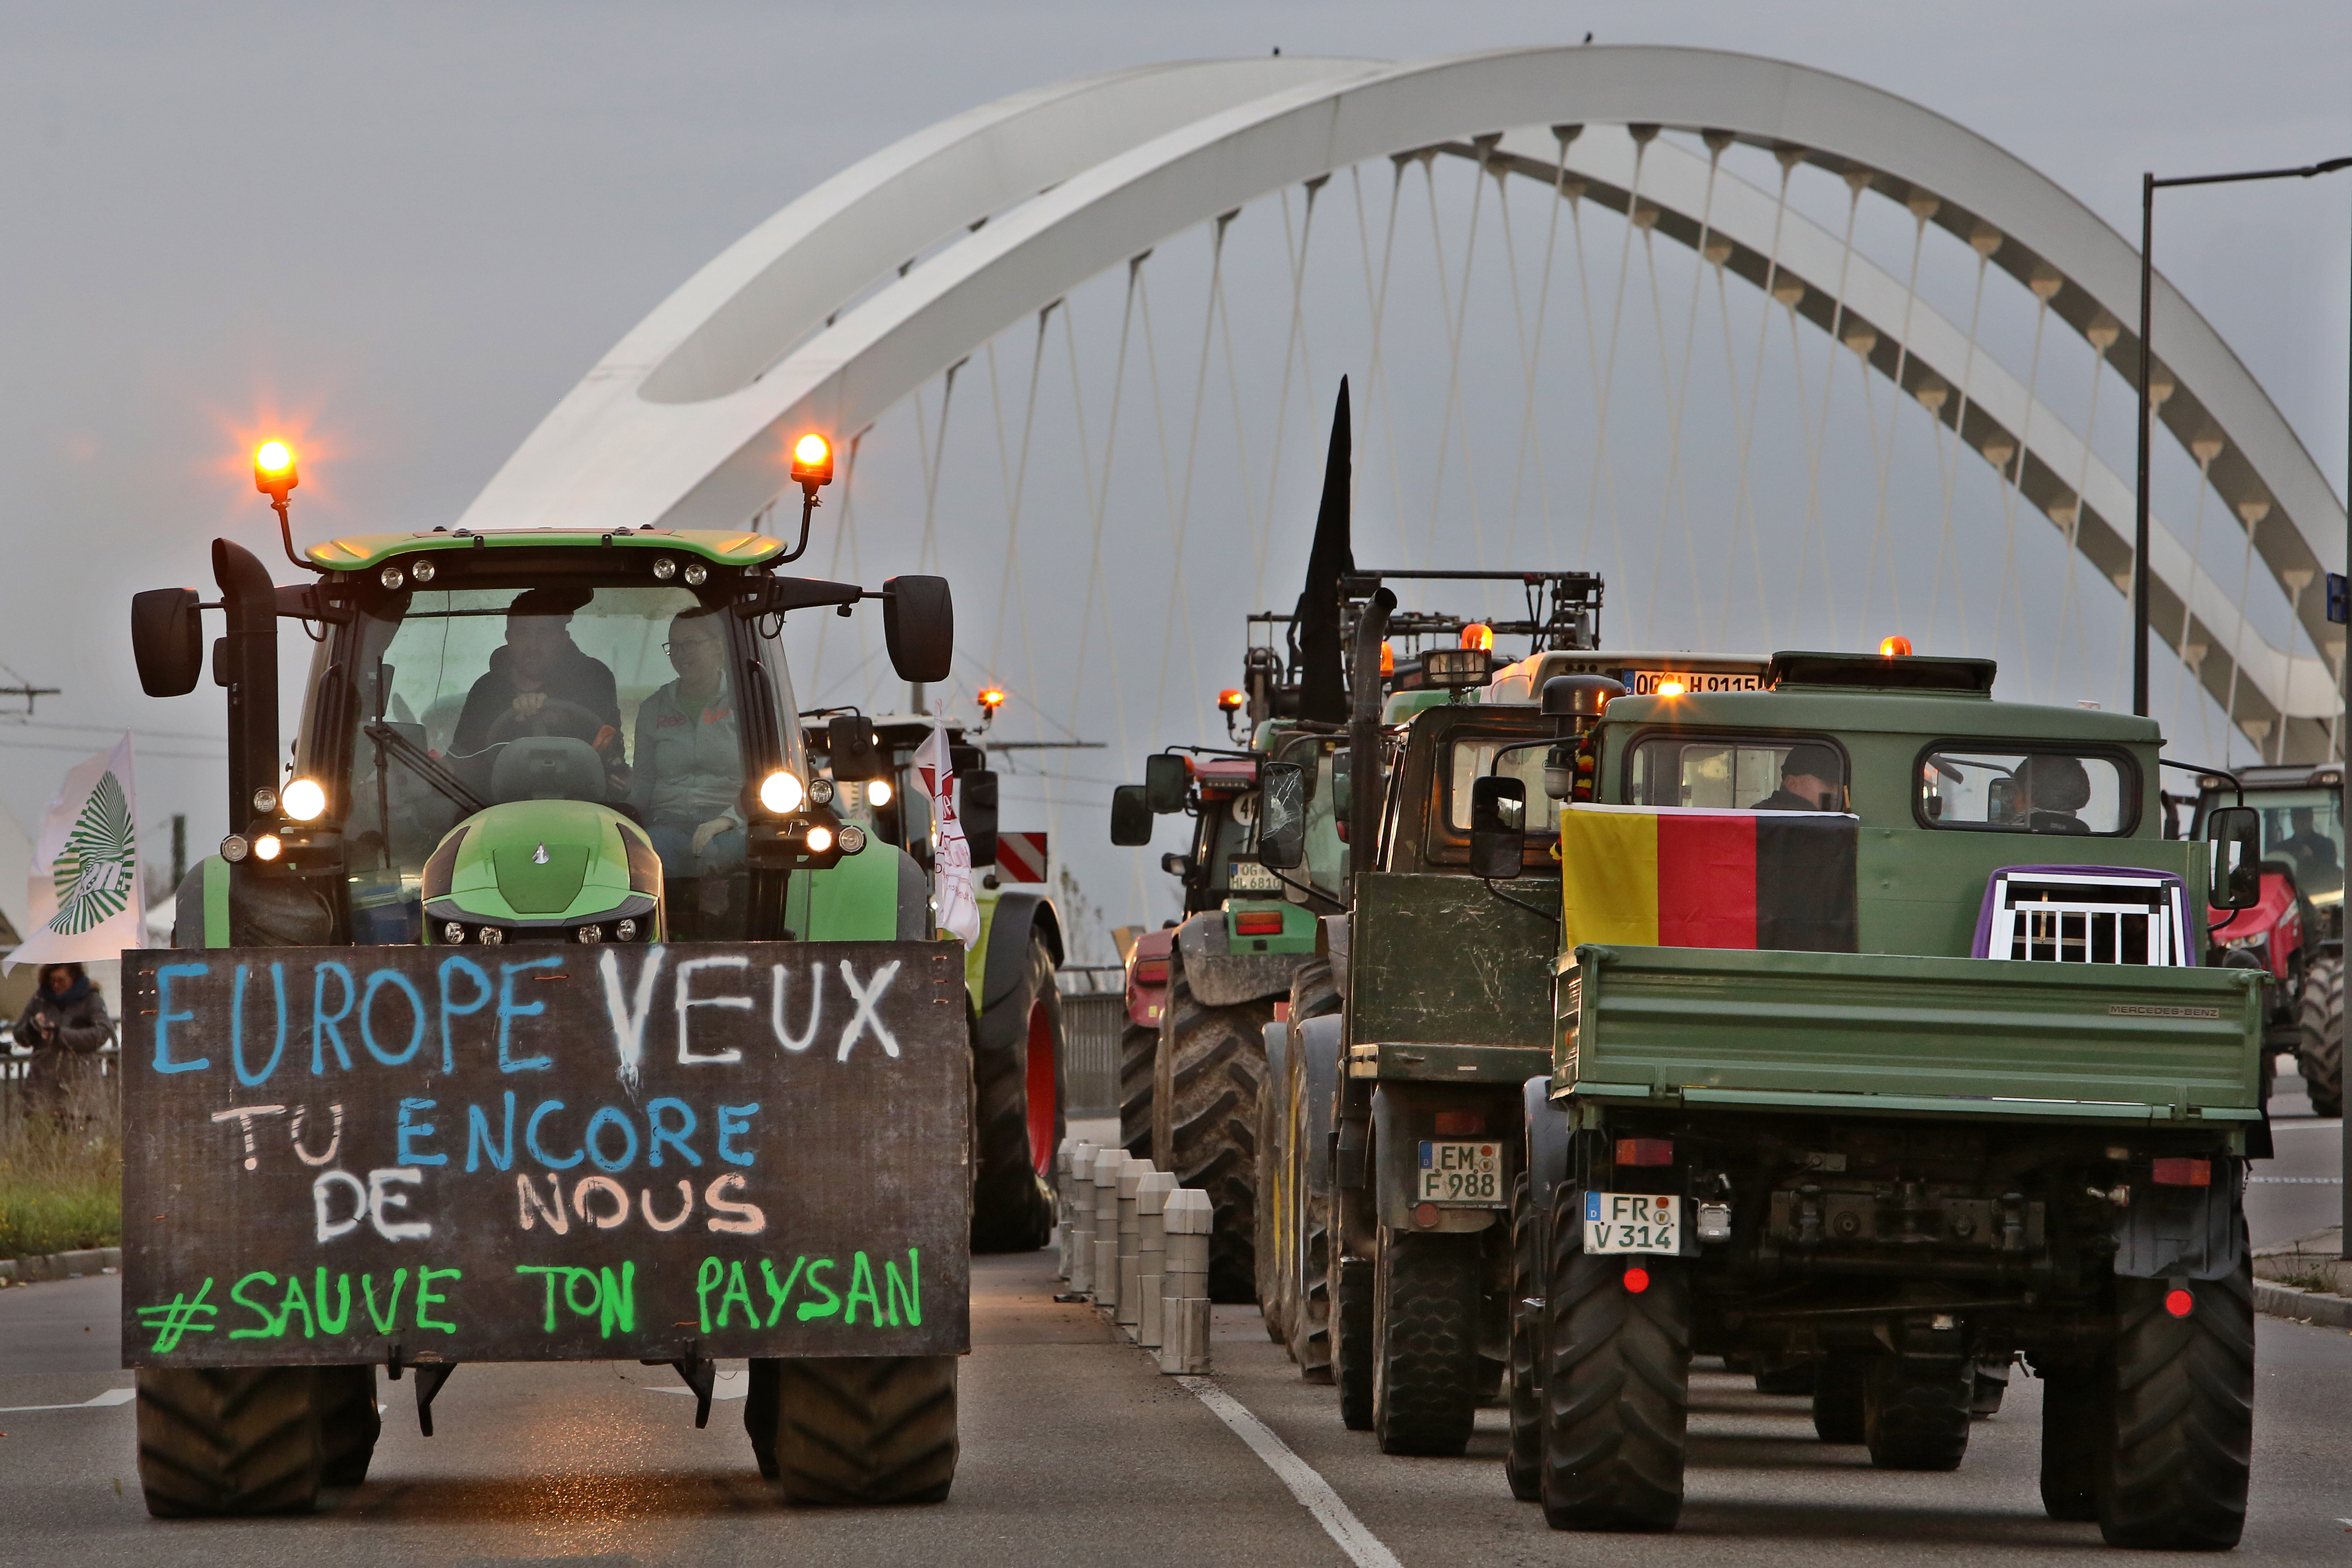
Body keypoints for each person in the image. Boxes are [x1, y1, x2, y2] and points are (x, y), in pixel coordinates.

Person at [630, 605, 746, 890]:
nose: (681, 655)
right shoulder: (653, 708)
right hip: (668, 824)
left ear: (718, 647)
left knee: (721, 853)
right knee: (644, 859)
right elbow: (644, 780)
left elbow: (766, 779)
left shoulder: (744, 703)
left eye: (690, 644)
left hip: (732, 822)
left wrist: (727, 820)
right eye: (675, 647)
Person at [450, 587, 623, 763]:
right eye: (522, 633)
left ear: (563, 639)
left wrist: (560, 720)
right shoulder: (486, 691)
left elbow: (611, 748)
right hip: (488, 791)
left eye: (544, 633)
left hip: (582, 789)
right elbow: (462, 757)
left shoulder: (593, 680)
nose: (533, 645)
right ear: (508, 637)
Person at [14, 963, 112, 1126]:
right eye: (52, 981)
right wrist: (32, 1028)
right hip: (43, 1083)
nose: (56, 985)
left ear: (73, 980)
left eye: (61, 980)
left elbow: (102, 1033)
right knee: (41, 1137)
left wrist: (62, 1035)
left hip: (80, 1083)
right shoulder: (41, 998)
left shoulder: (90, 999)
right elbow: (19, 1035)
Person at [1751, 743, 1842, 811]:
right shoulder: (1812, 821)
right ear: (1792, 784)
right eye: (1828, 783)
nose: (1835, 791)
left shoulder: (1760, 813)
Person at [2022, 754, 2093, 834]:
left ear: (2029, 794)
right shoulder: (2084, 835)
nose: (2012, 799)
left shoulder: (2017, 831)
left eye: (2016, 791)